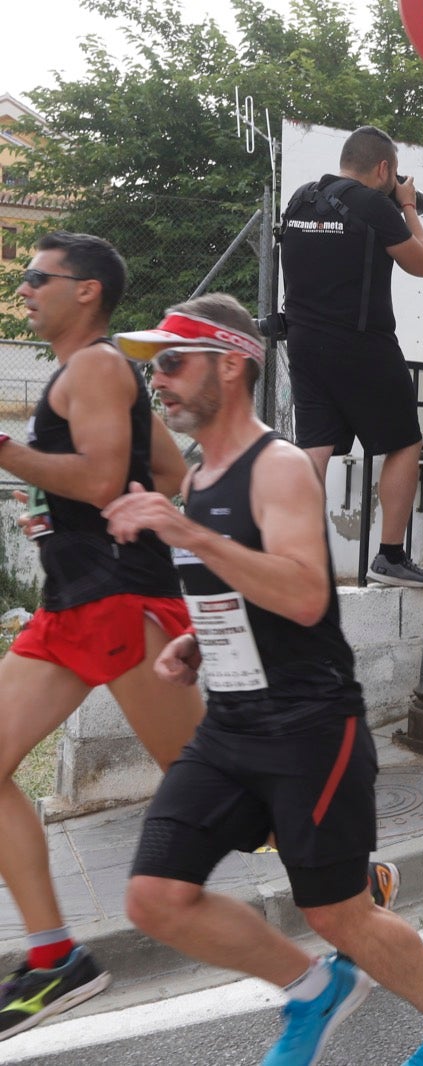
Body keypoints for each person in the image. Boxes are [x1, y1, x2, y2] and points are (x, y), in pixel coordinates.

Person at [104, 293, 423, 1066]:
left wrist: (185, 534)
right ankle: (314, 990)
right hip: (229, 725)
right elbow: (241, 592)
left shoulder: (279, 466)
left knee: (337, 914)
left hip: (308, 727)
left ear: (231, 365)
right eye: (154, 365)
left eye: (173, 361)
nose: (160, 379)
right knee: (155, 896)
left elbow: (306, 594)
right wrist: (195, 640)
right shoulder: (199, 479)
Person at [0, 233, 206, 1041]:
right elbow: (166, 475)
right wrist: (63, 510)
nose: (23, 289)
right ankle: (55, 960)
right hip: (75, 604)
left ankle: (351, 880)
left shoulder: (93, 366)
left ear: (86, 290)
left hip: (119, 602)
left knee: (208, 784)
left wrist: (11, 454)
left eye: (36, 277)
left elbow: (95, 476)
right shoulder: (98, 373)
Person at [278, 124, 423, 589]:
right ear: (384, 168)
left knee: (315, 448)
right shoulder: (374, 206)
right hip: (362, 346)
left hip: (303, 344)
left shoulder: (301, 200)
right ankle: (389, 556)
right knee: (404, 442)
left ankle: (294, 553)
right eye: (394, 174)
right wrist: (407, 205)